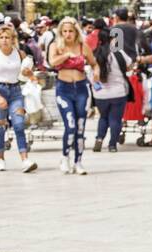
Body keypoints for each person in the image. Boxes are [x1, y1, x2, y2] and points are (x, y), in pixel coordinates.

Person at [48, 17, 98, 174]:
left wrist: (96, 72)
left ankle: (79, 161)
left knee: (80, 127)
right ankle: (65, 157)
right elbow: (52, 62)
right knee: (70, 126)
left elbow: (94, 63)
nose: (68, 34)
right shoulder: (56, 46)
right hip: (64, 89)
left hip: (81, 88)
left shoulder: (83, 46)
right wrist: (66, 55)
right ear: (60, 33)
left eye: (70, 31)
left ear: (76, 32)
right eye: (65, 31)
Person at [0, 23, 36, 172]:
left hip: (15, 91)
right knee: (0, 126)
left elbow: (27, 75)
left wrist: (28, 74)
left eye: (7, 37)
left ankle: (25, 160)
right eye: (1, 37)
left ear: (13, 39)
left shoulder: (20, 54)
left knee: (19, 124)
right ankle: (0, 159)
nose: (5, 40)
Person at [91, 27, 130, 152]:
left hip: (100, 94)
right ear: (112, 38)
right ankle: (112, 145)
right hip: (118, 92)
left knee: (103, 117)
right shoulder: (118, 53)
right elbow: (129, 65)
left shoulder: (95, 53)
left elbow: (90, 73)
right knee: (115, 119)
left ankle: (99, 139)